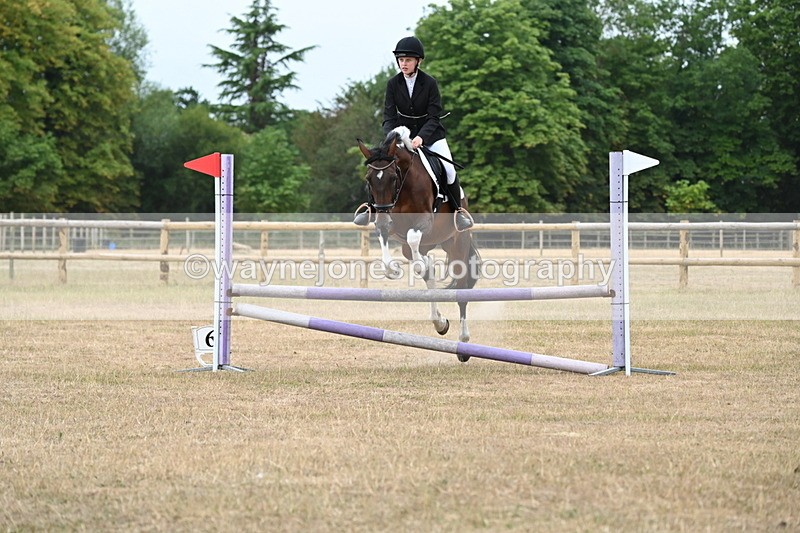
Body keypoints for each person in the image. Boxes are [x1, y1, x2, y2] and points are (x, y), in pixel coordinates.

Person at [354, 36, 473, 231]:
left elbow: (434, 117)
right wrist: (393, 137)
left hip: (431, 136)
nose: (404, 64)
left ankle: (458, 212)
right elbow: (388, 116)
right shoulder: (393, 84)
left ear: (418, 61)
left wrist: (421, 137)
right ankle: (370, 208)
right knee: (380, 169)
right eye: (401, 60)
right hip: (402, 137)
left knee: (450, 170)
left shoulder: (429, 83)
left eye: (408, 60)